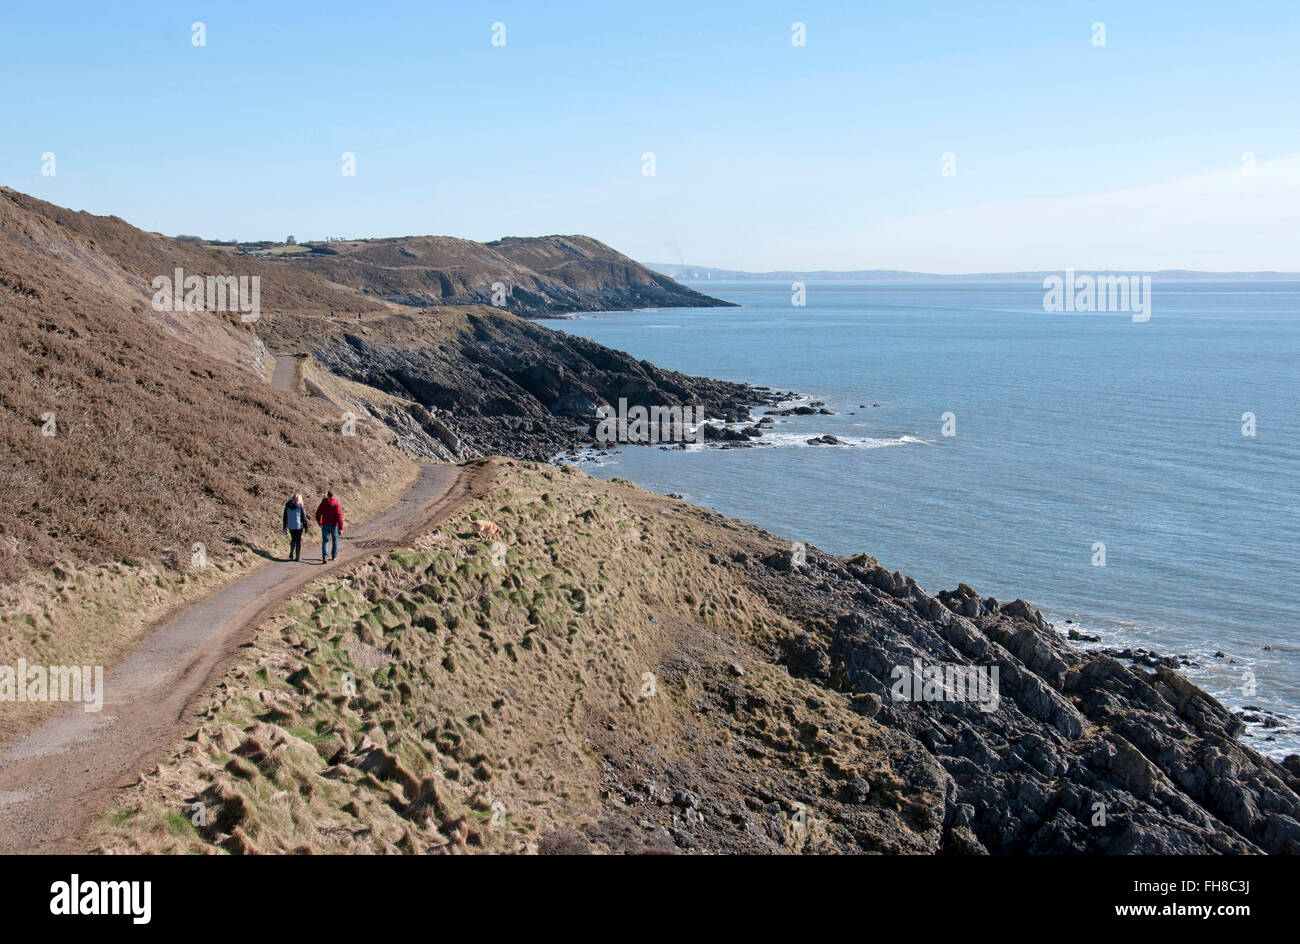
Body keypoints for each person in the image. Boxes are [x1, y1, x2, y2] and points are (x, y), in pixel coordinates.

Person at [316, 490, 345, 562]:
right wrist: (341, 528)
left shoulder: (323, 503)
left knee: (325, 541)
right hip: (334, 525)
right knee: (335, 540)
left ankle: (325, 556)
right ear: (333, 495)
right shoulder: (336, 504)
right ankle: (334, 556)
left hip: (325, 524)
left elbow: (318, 513)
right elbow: (339, 517)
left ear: (327, 495)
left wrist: (320, 522)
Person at [282, 492, 310, 561]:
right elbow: (304, 518)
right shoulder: (300, 507)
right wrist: (306, 527)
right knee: (298, 541)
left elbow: (285, 517)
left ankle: (291, 552)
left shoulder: (287, 506)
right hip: (298, 526)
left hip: (290, 526)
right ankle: (297, 557)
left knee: (293, 538)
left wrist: (284, 526)